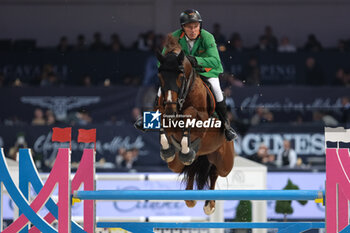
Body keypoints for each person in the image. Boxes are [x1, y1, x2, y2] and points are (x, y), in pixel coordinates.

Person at [134, 9, 237, 141]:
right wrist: (173, 66)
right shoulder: (174, 37)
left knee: (217, 90)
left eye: (196, 26)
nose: (193, 30)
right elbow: (162, 61)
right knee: (164, 88)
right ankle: (150, 120)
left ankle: (226, 126)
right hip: (184, 72)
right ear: (183, 27)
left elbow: (216, 62)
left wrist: (195, 60)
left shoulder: (207, 37)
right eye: (189, 27)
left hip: (206, 71)